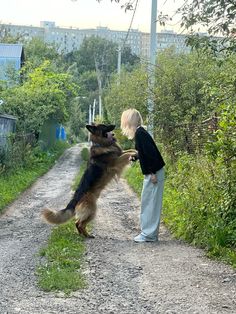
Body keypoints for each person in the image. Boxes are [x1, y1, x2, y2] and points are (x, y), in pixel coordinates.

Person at [121, 108, 165, 243]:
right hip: (155, 171)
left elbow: (151, 154)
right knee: (149, 202)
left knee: (150, 203)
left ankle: (148, 235)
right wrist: (135, 157)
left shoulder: (140, 133)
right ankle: (149, 233)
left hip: (154, 172)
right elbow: (144, 152)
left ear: (129, 120)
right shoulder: (140, 132)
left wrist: (152, 173)